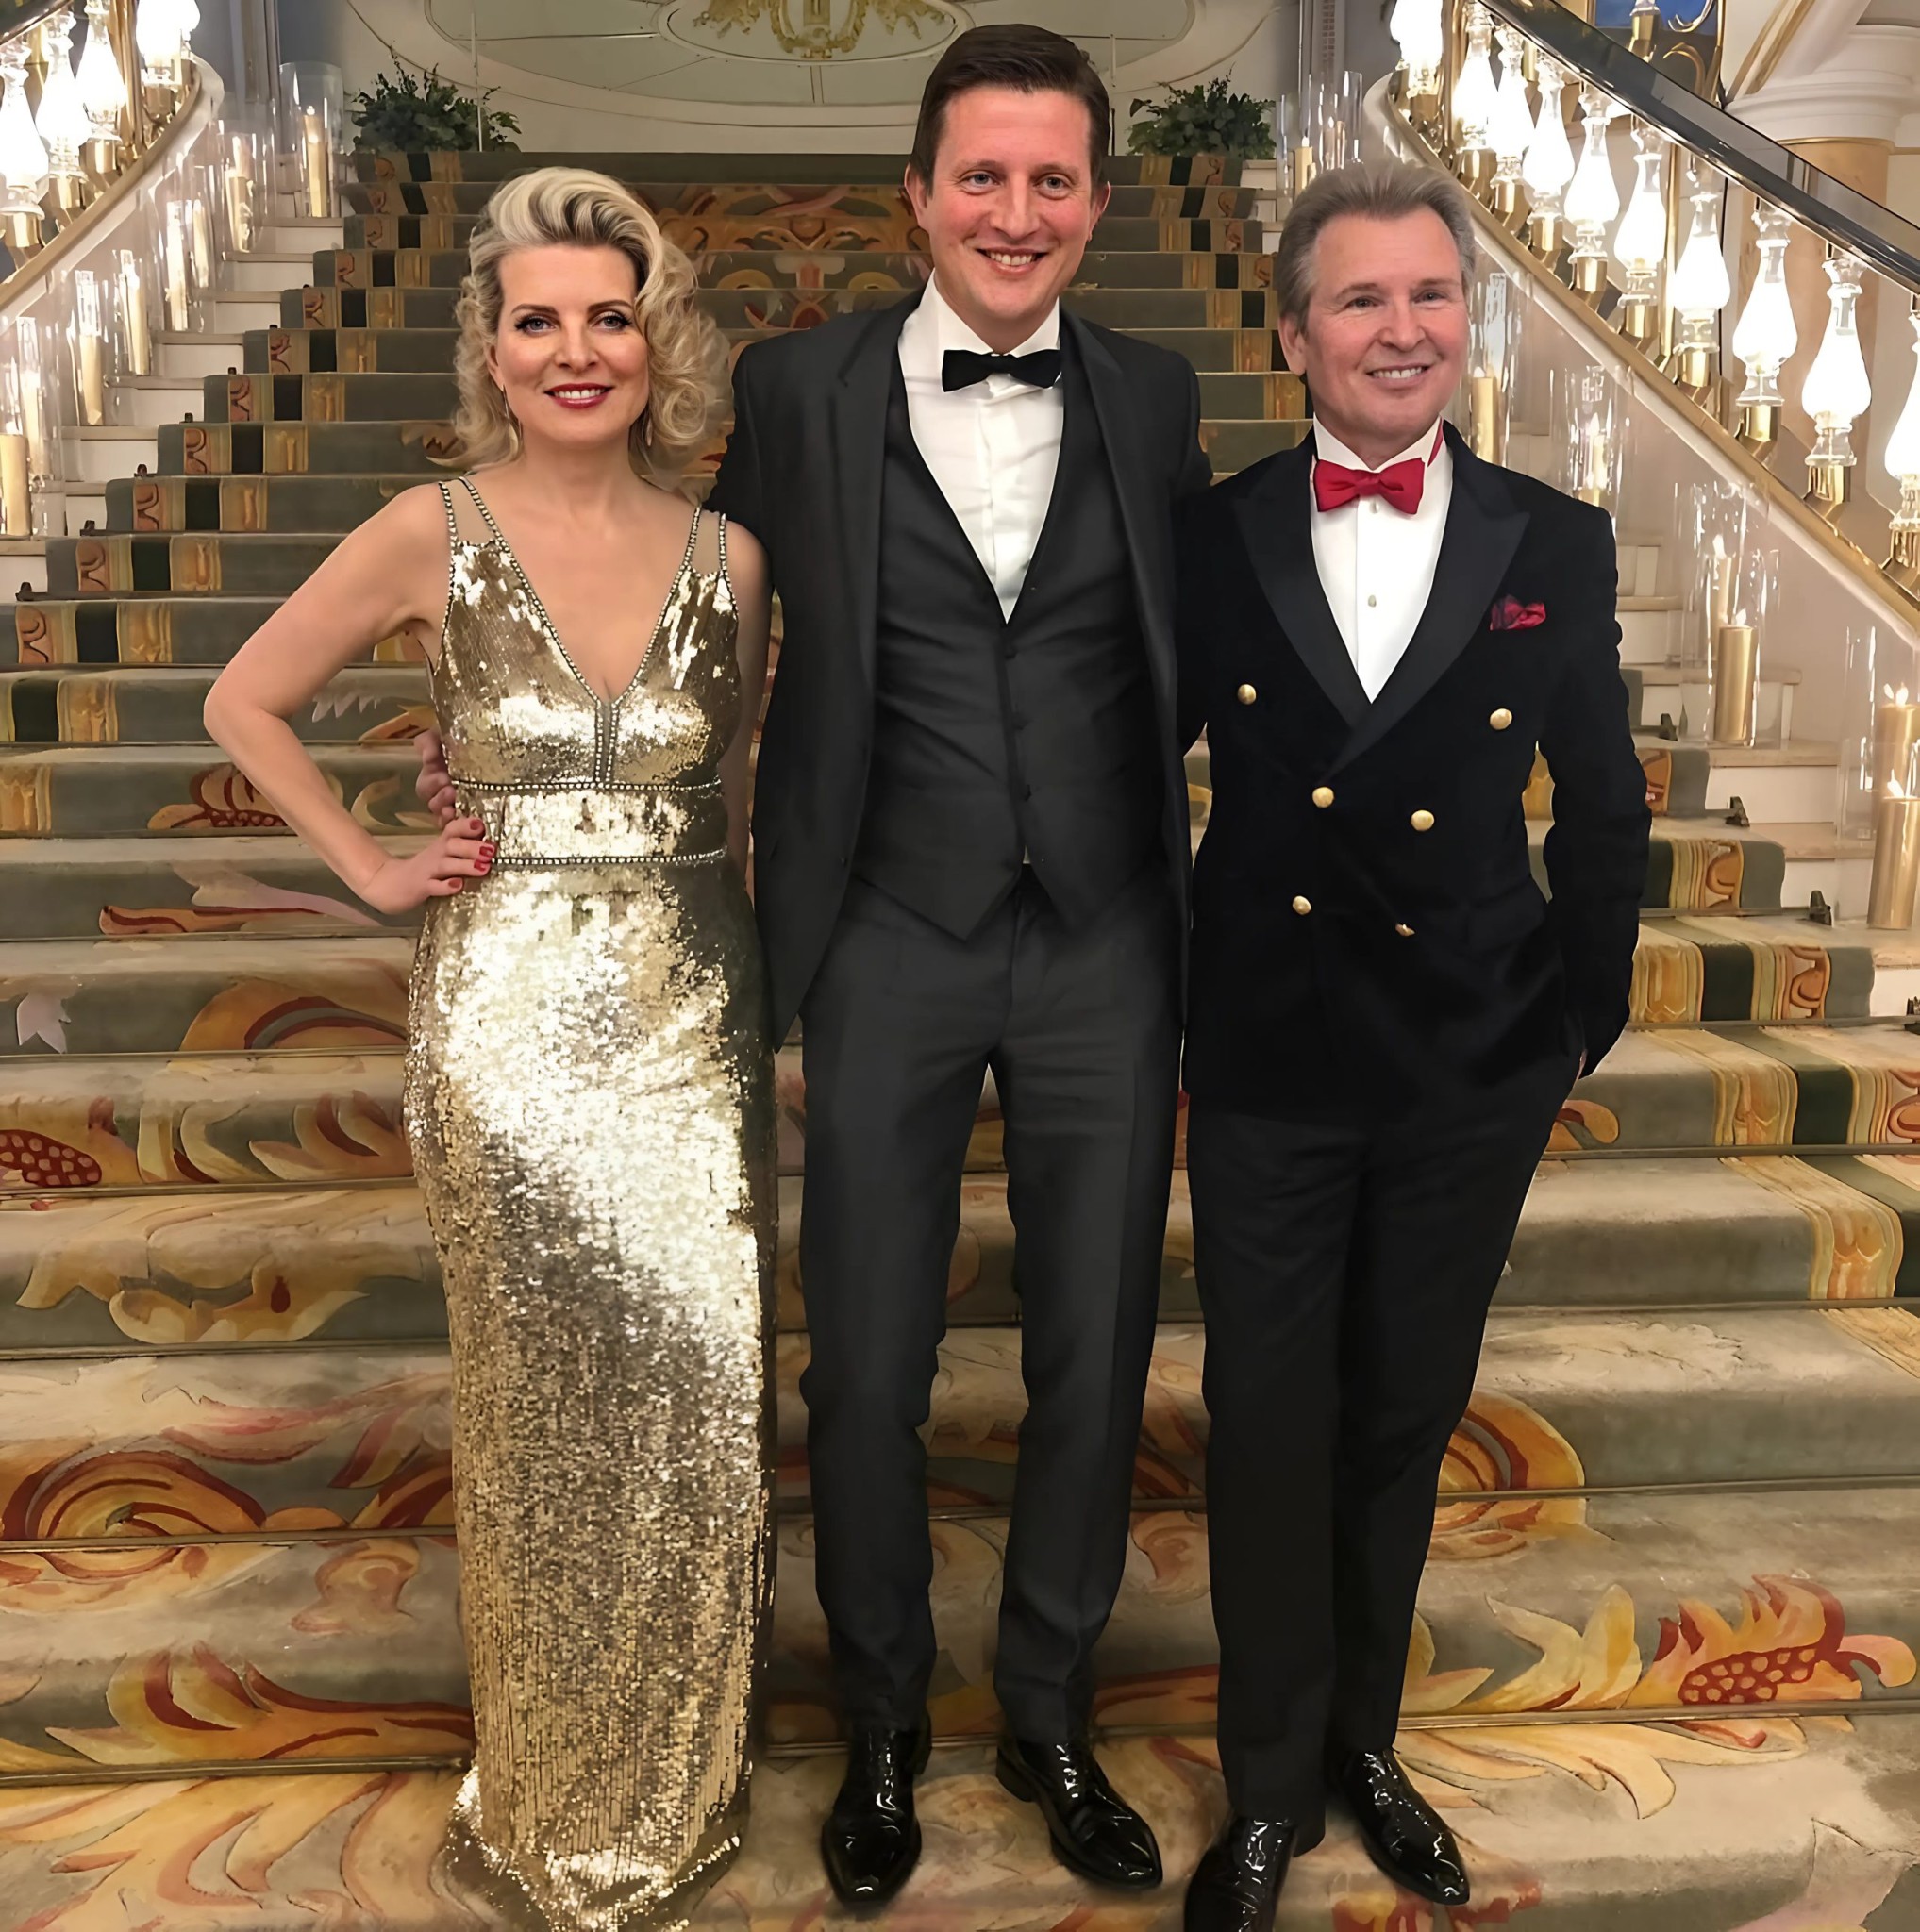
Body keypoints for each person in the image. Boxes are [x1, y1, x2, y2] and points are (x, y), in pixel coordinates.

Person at [207, 167, 776, 1930]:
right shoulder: (425, 529)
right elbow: (244, 697)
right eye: (540, 321)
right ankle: (545, 1798)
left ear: (655, 343)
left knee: (695, 1401)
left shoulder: (732, 558)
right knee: (538, 1419)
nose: (577, 350)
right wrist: (373, 863)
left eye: (611, 316)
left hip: (691, 1018)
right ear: (494, 349)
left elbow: (738, 803)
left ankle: (670, 1791)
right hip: (506, 1028)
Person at [714, 21, 1208, 1909]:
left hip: (1104, 936)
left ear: (1097, 202)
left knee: (1096, 1349)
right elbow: (690, 603)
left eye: (1051, 179)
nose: (1016, 211)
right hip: (884, 926)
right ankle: (882, 1723)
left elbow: (1201, 640)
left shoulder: (1154, 395)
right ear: (916, 195)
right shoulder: (793, 386)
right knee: (864, 1362)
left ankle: (1049, 1713)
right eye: (982, 177)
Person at [1174, 163, 1650, 1931]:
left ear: (1468, 320)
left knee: (1402, 1413)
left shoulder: (1554, 537)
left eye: (1430, 295)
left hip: (1472, 1055)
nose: (1402, 329)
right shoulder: (1213, 531)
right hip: (1271, 1052)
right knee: (1265, 1420)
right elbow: (1142, 781)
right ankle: (1263, 1789)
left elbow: (1605, 801)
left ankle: (1363, 1746)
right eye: (1362, 298)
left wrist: (1575, 1018)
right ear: (1294, 331)